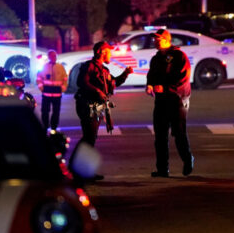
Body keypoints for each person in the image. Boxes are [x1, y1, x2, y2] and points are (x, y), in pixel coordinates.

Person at [74, 41, 133, 179]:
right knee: (89, 137)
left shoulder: (104, 70)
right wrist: (97, 91)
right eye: (109, 51)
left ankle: (79, 169)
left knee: (90, 137)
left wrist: (125, 74)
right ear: (101, 51)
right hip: (87, 104)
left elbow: (113, 83)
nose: (111, 54)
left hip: (98, 106)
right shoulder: (88, 66)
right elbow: (81, 82)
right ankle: (79, 171)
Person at [145, 29, 194, 178]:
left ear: (166, 40)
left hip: (177, 100)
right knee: (160, 136)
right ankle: (162, 169)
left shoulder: (179, 56)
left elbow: (183, 79)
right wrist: (149, 85)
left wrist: (165, 88)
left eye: (157, 39)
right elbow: (151, 75)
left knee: (179, 134)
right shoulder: (156, 58)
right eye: (154, 39)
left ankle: (187, 160)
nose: (154, 42)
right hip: (161, 101)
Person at [35, 50, 68, 131]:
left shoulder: (60, 67)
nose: (54, 57)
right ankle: (45, 126)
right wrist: (41, 88)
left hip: (57, 93)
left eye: (55, 56)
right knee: (45, 111)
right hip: (46, 93)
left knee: (56, 112)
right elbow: (39, 78)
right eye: (52, 56)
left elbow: (65, 78)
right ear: (49, 57)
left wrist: (63, 88)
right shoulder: (44, 66)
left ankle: (54, 127)